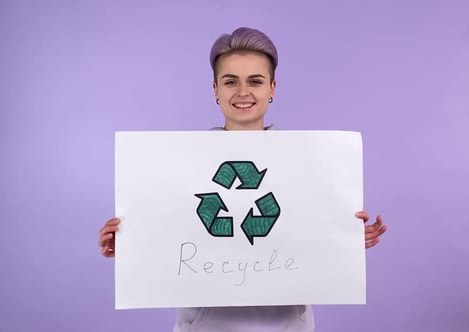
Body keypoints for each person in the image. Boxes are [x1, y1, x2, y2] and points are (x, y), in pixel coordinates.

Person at [98, 27, 387, 332]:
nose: (243, 92)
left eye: (256, 81)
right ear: (215, 89)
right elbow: (165, 229)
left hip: (287, 324)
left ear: (272, 88)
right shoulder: (179, 165)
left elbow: (310, 230)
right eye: (231, 82)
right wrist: (131, 241)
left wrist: (343, 236)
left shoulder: (309, 165)